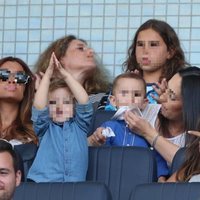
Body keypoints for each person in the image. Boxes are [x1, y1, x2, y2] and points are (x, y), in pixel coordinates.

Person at [89, 72, 169, 181]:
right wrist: (99, 136)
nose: (130, 99)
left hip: (141, 180)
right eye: (124, 94)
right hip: (112, 179)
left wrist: (161, 179)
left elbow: (158, 158)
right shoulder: (109, 127)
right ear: (113, 100)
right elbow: (100, 154)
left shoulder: (148, 129)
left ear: (145, 102)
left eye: (136, 95)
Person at [27, 52, 93, 182]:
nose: (59, 106)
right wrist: (48, 75)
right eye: (53, 102)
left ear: (74, 108)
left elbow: (84, 101)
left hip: (72, 188)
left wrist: (65, 74)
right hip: (42, 184)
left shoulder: (80, 126)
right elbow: (39, 106)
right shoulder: (45, 128)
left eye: (66, 102)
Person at [98, 18, 187, 110]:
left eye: (153, 44)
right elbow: (102, 116)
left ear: (170, 52)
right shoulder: (120, 86)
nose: (145, 51)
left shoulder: (178, 89)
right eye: (140, 44)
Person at [124, 66, 200, 166]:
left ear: (190, 107)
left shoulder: (196, 134)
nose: (162, 97)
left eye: (172, 96)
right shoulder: (144, 111)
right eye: (166, 90)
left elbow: (189, 165)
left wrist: (148, 132)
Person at [34, 35, 111, 106]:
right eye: (80, 48)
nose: (91, 51)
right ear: (60, 59)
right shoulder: (41, 96)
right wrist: (43, 95)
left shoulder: (106, 95)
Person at [0, 57, 38, 145]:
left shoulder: (37, 127)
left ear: (26, 87)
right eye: (3, 74)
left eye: (20, 77)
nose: (12, 80)